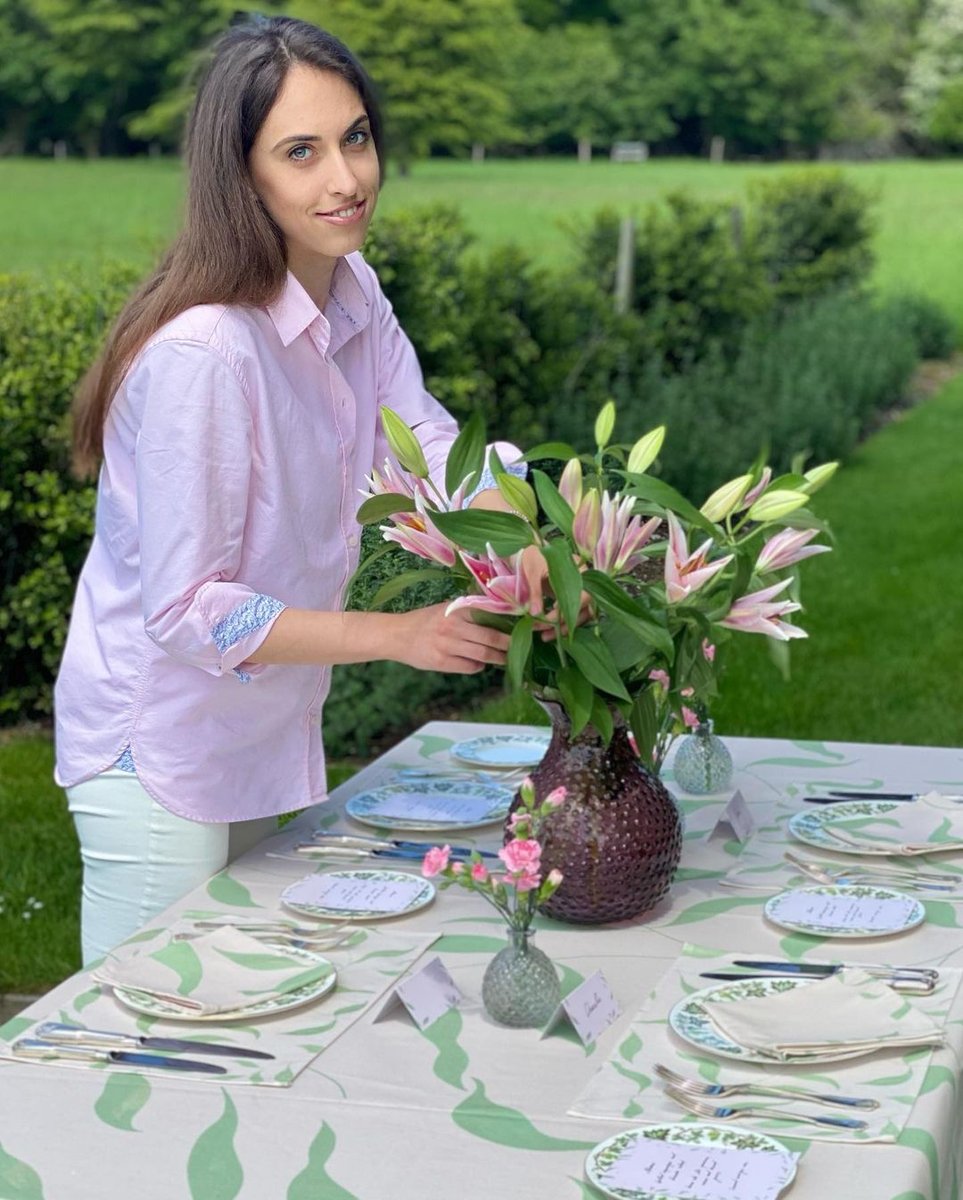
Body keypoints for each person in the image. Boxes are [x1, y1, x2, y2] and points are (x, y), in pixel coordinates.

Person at [56, 14, 528, 965]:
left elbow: (423, 447)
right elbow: (190, 612)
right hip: (163, 753)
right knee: (149, 1030)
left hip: (260, 730)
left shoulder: (352, 288)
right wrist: (401, 638)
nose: (345, 178)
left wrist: (534, 538)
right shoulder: (207, 352)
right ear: (244, 176)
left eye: (354, 138)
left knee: (253, 1006)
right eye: (300, 152)